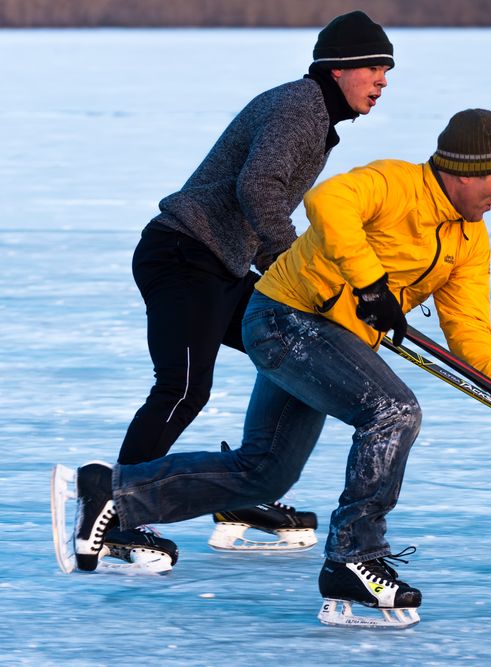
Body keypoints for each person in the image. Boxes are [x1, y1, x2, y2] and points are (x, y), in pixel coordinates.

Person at [58, 109, 491, 628]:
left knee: (265, 471)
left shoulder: (468, 241)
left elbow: (470, 331)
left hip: (330, 342)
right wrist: (370, 284)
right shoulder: (394, 183)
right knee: (393, 411)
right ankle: (353, 557)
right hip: (283, 318)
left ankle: (114, 495)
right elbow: (327, 200)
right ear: (464, 172)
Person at [104, 10, 395, 568]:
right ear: (337, 70)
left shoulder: (314, 116)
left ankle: (239, 492)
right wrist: (295, 263)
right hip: (184, 254)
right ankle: (118, 513)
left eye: (387, 70)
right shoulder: (298, 108)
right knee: (183, 387)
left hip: (222, 264)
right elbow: (257, 188)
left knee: (285, 346)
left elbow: (258, 200)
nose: (383, 81)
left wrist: (298, 283)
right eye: (374, 68)